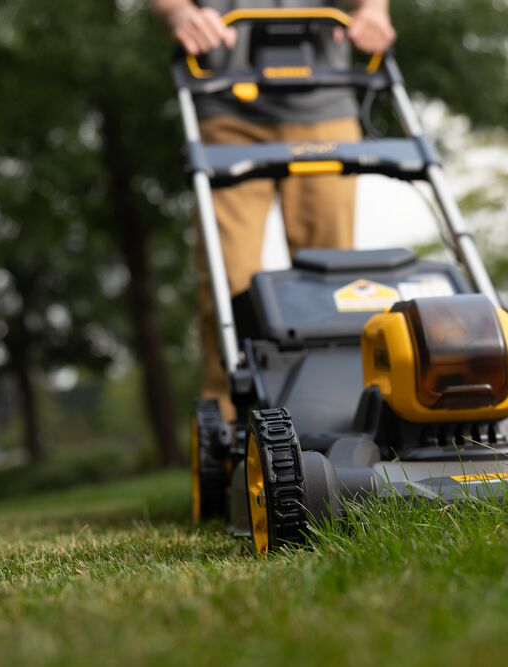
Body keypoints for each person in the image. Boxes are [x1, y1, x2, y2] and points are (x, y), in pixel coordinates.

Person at [152, 0, 396, 420]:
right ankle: (228, 428)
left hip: (324, 102)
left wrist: (374, 11)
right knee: (227, 277)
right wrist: (181, 15)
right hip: (225, 103)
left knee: (334, 279)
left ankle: (340, 414)